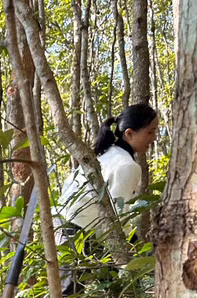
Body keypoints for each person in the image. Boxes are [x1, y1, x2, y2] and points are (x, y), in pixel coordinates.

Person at [54, 103, 160, 285]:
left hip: (62, 224)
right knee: (112, 287)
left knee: (73, 292)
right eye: (150, 132)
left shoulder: (104, 154)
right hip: (80, 229)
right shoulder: (127, 165)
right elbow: (119, 216)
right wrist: (137, 247)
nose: (154, 138)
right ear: (129, 133)